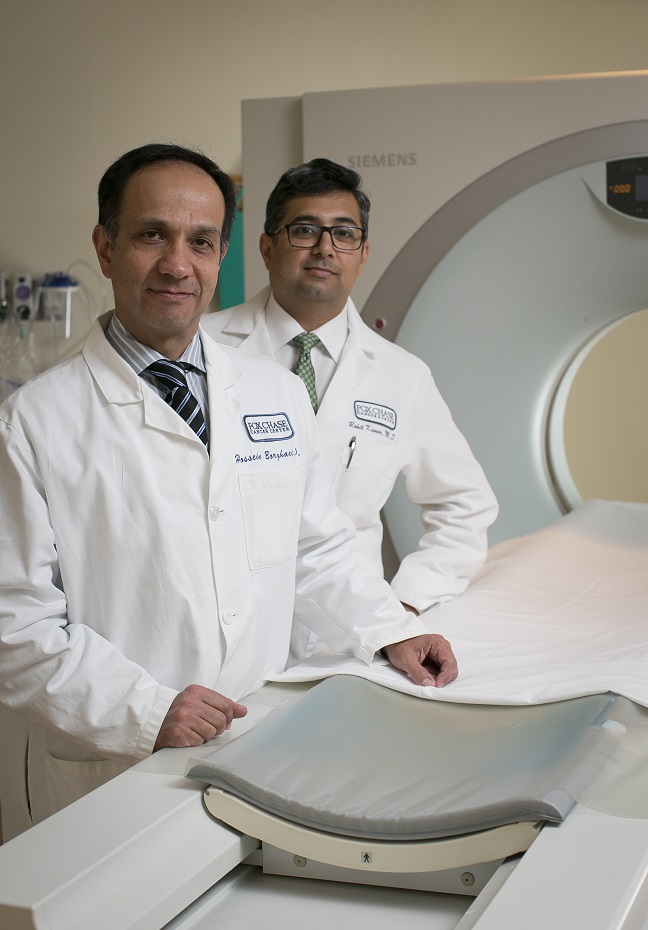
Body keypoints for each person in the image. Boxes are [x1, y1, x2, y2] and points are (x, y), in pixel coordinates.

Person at [0, 144, 457, 842]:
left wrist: (393, 629)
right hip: (109, 760)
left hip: (258, 740)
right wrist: (147, 711)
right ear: (105, 245)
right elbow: (17, 626)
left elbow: (317, 547)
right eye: (152, 234)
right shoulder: (34, 418)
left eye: (201, 241)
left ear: (222, 254)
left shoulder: (272, 391)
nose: (177, 264)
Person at [202, 158, 498, 657]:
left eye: (344, 234)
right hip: (223, 630)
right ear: (267, 246)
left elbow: (464, 505)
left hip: (349, 639)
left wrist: (403, 605)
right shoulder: (203, 348)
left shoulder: (402, 377)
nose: (325, 248)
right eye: (304, 230)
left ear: (363, 256)